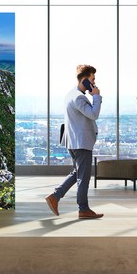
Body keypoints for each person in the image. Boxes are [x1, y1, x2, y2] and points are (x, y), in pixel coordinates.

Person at [45, 64, 105, 220]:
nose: (94, 83)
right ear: (85, 80)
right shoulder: (79, 97)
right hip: (81, 143)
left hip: (73, 141)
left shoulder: (70, 94)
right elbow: (93, 114)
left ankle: (55, 196)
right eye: (92, 79)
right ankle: (83, 209)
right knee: (83, 177)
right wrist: (96, 96)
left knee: (77, 173)